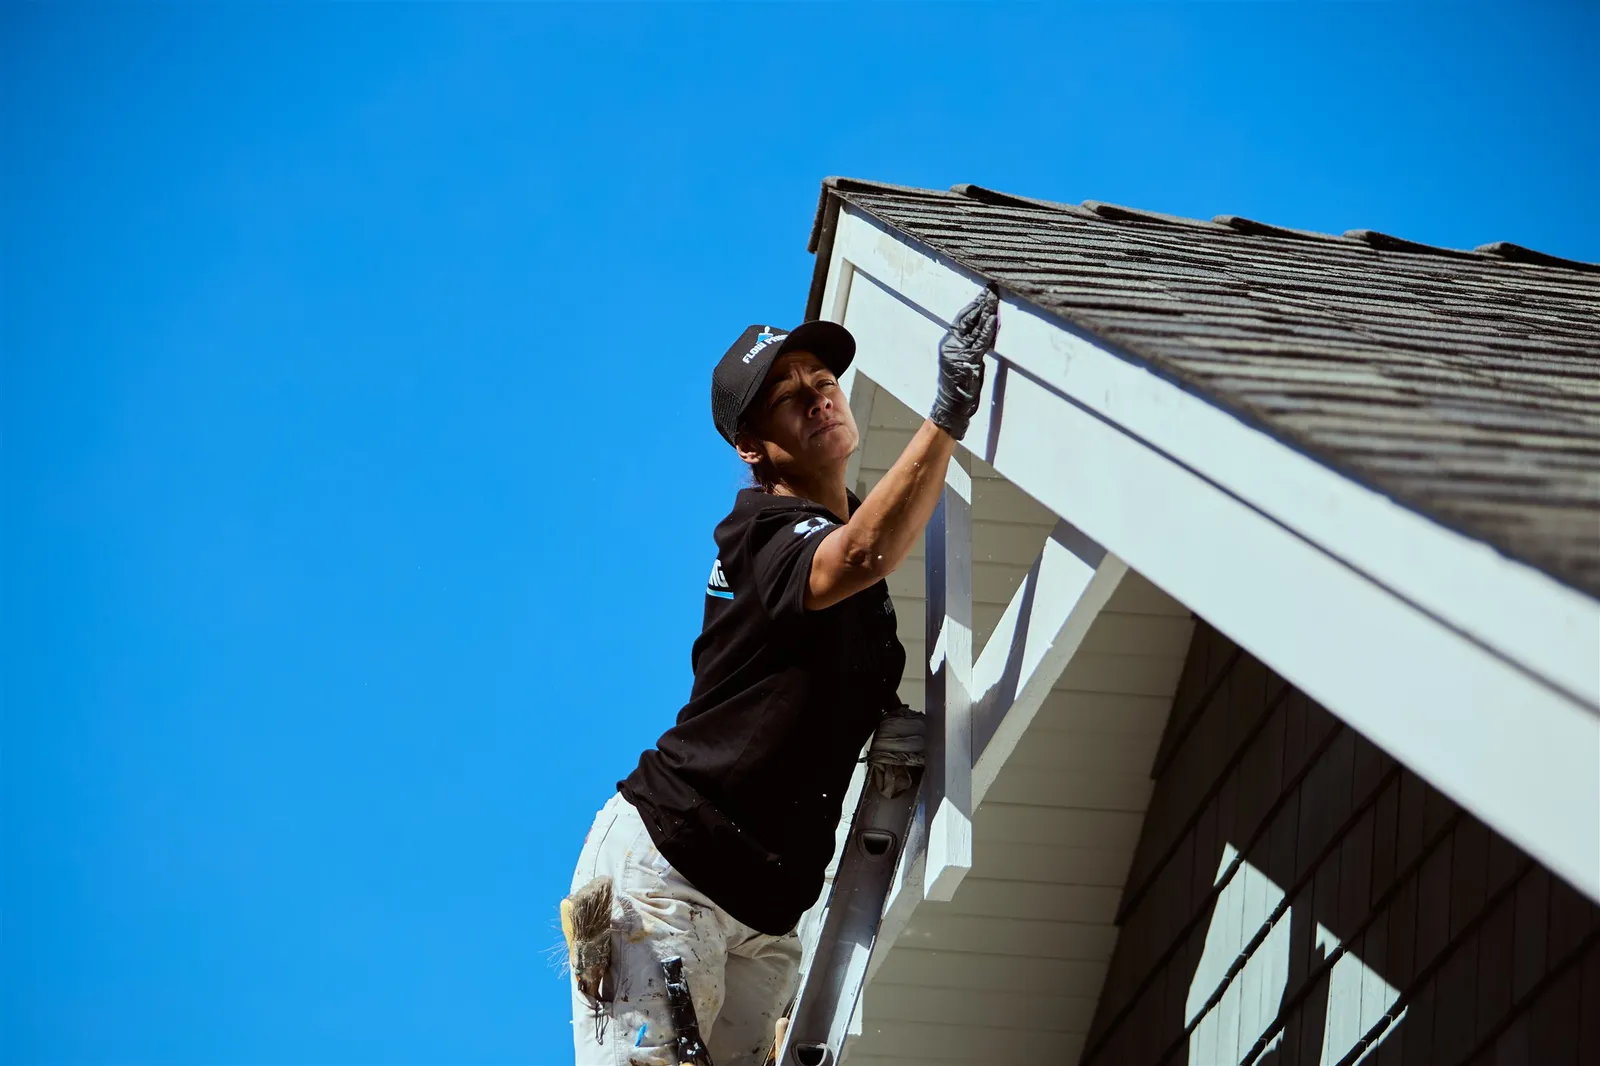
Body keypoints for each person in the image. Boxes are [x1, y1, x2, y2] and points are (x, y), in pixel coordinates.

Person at [567, 288, 1001, 1066]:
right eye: (787, 397)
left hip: (767, 910)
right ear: (752, 446)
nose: (817, 397)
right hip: (671, 869)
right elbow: (860, 555)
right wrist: (947, 417)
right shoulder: (763, 533)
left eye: (822, 380)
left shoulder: (843, 536)